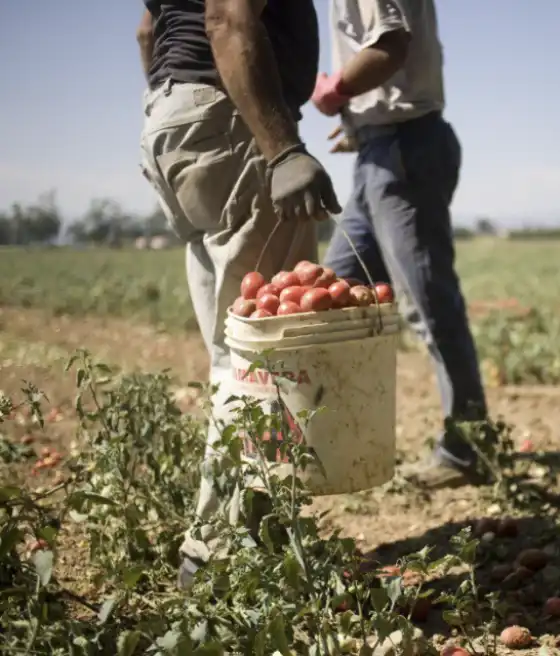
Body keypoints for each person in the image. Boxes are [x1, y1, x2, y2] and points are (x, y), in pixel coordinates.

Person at [136, 0, 341, 590]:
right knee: (263, 355)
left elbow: (148, 30)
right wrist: (281, 148)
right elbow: (227, 16)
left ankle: (242, 544)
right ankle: (220, 559)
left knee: (236, 351)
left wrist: (177, 110)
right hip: (230, 117)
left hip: (175, 115)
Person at [311, 0, 490, 490]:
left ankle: (468, 449)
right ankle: (341, 444)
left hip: (404, 151)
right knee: (336, 298)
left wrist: (335, 90)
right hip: (381, 150)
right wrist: (361, 123)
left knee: (429, 306)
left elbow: (390, 46)